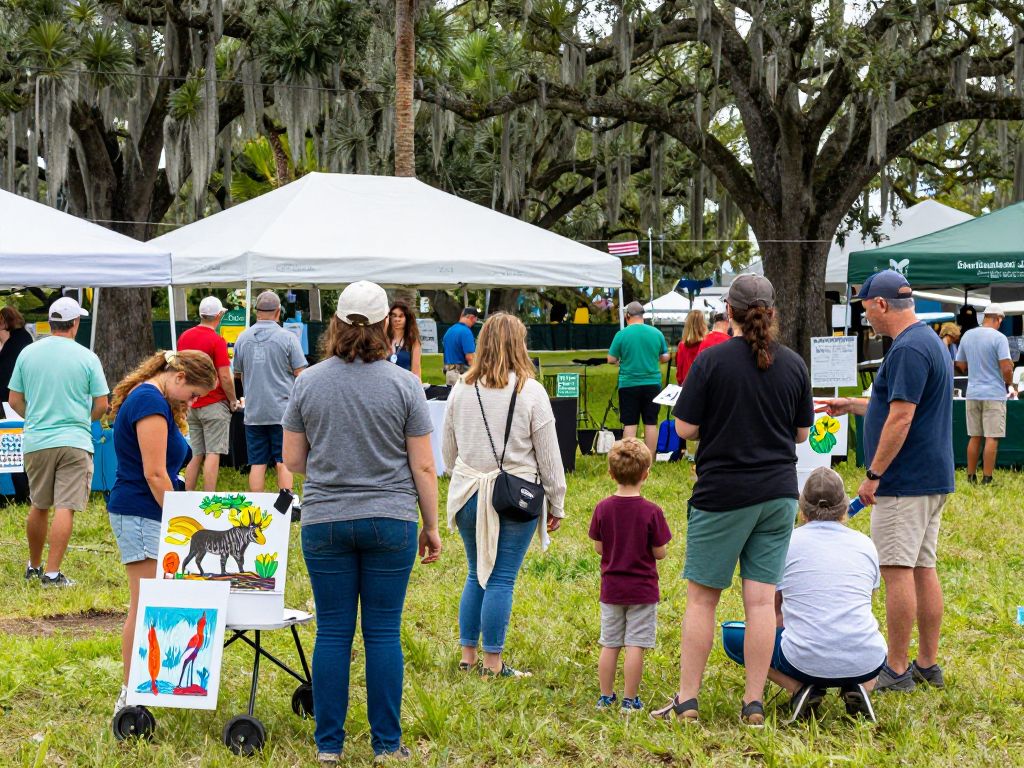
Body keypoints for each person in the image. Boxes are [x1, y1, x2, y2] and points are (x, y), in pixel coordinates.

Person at [282, 281, 442, 763]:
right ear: (383, 326)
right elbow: (424, 467)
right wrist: (431, 526)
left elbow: (293, 458)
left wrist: (336, 463)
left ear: (335, 323)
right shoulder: (405, 385)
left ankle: (328, 746)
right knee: (382, 633)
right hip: (391, 520)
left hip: (326, 519)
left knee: (332, 632)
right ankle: (386, 746)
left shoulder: (308, 381)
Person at [653, 274, 813, 726]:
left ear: (729, 311)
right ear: (773, 311)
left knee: (702, 600)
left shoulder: (710, 361)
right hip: (779, 494)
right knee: (761, 604)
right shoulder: (794, 365)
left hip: (722, 493)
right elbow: (802, 433)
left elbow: (683, 429)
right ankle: (754, 703)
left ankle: (687, 702)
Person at [822, 269, 953, 693]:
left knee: (896, 571)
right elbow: (890, 401)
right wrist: (853, 404)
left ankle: (895, 669)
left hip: (904, 480)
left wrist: (873, 474)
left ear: (881, 305)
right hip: (931, 477)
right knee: (922, 569)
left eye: (866, 311)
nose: (867, 321)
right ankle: (926, 663)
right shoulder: (926, 341)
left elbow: (901, 415)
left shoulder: (907, 349)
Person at [442, 312, 567, 678]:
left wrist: (465, 471)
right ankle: (493, 664)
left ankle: (468, 656)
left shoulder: (460, 387)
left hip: (467, 492)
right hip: (514, 496)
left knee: (474, 574)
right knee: (500, 578)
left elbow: (448, 452)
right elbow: (549, 456)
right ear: (519, 344)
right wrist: (556, 502)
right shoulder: (530, 390)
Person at [721, 467, 887, 723]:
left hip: (802, 659)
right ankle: (859, 687)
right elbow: (866, 602)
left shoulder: (787, 542)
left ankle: (799, 688)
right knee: (867, 637)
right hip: (867, 657)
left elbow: (773, 615)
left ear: (802, 508)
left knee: (734, 635)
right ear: (844, 507)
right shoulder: (866, 544)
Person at [107, 350, 217, 717]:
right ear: (180, 377)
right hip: (140, 513)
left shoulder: (154, 399)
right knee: (144, 607)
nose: (194, 402)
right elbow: (155, 474)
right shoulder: (150, 402)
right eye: (195, 394)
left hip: (149, 512)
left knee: (152, 605)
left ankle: (147, 686)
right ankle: (130, 694)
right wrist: (180, 518)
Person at [7, 297, 108, 587]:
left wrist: (35, 418)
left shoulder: (28, 353)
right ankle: (52, 574)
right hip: (74, 439)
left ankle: (34, 566)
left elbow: (14, 399)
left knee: (38, 504)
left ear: (51, 323)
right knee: (66, 505)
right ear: (75, 324)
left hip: (38, 439)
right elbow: (101, 404)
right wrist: (82, 419)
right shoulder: (87, 357)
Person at [589, 438, 671, 712]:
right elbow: (660, 552)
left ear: (611, 474)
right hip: (643, 591)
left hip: (612, 589)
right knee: (636, 644)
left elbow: (599, 547)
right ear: (646, 474)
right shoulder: (652, 511)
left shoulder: (602, 508)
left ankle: (605, 696)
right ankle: (630, 699)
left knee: (610, 643)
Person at [232, 290, 307, 496]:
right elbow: (301, 375)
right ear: (278, 312)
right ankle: (286, 507)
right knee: (283, 461)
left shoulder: (242, 338)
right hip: (282, 411)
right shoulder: (288, 338)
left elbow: (237, 374)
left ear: (257, 312)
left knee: (257, 462)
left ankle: (256, 505)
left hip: (254, 411)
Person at [177, 296, 238, 492]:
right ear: (219, 315)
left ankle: (187, 495)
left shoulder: (185, 336)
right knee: (213, 452)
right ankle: (208, 498)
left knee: (196, 453)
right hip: (214, 404)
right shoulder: (217, 340)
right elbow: (225, 376)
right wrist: (233, 400)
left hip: (192, 403)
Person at [955, 303, 1014, 484]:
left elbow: (960, 365)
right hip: (994, 394)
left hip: (972, 392)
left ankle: (971, 476)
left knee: (974, 436)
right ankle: (987, 478)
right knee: (991, 437)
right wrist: (1009, 382)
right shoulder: (999, 338)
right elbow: (1006, 367)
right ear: (998, 319)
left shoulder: (968, 335)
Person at [607, 301, 670, 456]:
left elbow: (611, 359)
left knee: (630, 422)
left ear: (628, 316)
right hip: (652, 384)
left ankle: (629, 457)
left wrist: (620, 360)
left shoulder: (621, 334)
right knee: (651, 422)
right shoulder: (656, 333)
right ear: (643, 316)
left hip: (628, 384)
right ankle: (650, 458)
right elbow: (665, 356)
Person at [0, 306, 34, 503]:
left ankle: (23, 494)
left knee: (14, 451)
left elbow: (6, 373)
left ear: (5, 321)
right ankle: (24, 494)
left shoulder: (16, 341)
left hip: (10, 404)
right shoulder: (23, 338)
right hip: (16, 401)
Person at [442, 307, 479, 385]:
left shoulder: (450, 330)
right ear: (472, 317)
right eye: (475, 320)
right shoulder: (466, 332)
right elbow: (470, 357)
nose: (475, 322)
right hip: (461, 375)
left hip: (449, 374)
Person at [387, 300, 423, 380]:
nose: (397, 319)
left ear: (407, 318)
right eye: (394, 315)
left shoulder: (413, 341)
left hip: (405, 386)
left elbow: (416, 372)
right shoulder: (383, 339)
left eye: (401, 316)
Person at [675, 311, 707, 386]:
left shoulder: (682, 345)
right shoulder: (707, 344)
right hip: (703, 385)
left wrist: (680, 383)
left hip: (686, 385)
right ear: (703, 324)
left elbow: (679, 368)